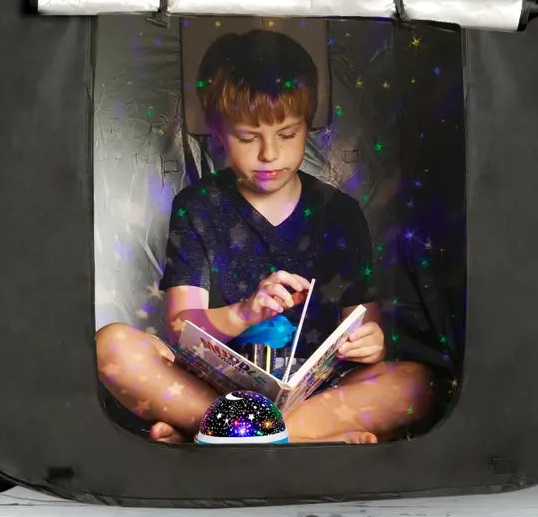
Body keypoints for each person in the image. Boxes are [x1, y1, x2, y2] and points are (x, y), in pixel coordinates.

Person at [96, 28, 434, 444]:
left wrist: (371, 344)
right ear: (219, 134)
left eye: (287, 135)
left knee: (418, 382)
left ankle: (232, 435)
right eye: (248, 137)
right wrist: (245, 313)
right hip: (216, 392)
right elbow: (182, 330)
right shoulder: (198, 206)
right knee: (111, 347)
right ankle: (277, 435)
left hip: (314, 394)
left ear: (307, 128)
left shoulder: (339, 212)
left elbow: (362, 325)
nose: (269, 155)